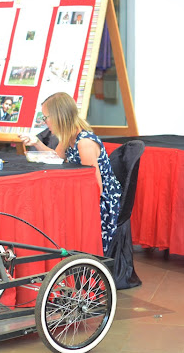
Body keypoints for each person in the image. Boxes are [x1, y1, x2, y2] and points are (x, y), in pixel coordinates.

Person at [19, 92, 121, 254]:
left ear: (58, 117)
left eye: (45, 117)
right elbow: (57, 157)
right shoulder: (69, 136)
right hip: (82, 194)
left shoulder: (84, 142)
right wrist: (37, 143)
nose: (44, 122)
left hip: (101, 203)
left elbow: (95, 187)